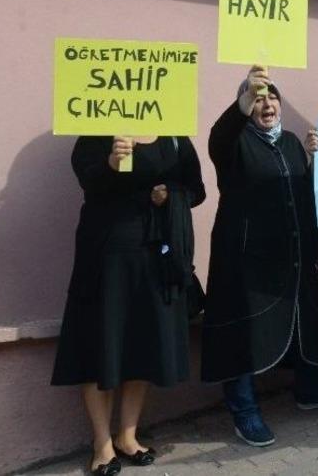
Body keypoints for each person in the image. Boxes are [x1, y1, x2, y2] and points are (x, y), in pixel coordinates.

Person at [52, 134, 205, 475]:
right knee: (99, 344)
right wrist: (110, 163)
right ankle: (101, 443)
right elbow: (86, 179)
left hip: (154, 257)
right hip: (104, 256)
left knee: (141, 345)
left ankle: (127, 435)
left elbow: (196, 188)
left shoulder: (174, 137)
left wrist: (170, 195)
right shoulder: (96, 131)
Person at [201, 66, 318, 447]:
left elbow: (303, 195)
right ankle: (244, 411)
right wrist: (243, 99)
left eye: (272, 97)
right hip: (249, 259)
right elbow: (218, 136)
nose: (267, 105)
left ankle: (308, 389)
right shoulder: (235, 141)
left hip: (294, 256)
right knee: (246, 332)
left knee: (307, 321)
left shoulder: (292, 142)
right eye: (258, 98)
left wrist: (315, 162)